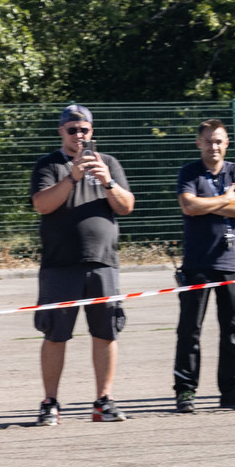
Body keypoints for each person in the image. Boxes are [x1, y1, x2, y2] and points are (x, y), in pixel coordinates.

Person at [30, 104, 136, 423]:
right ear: (61, 132)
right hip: (60, 265)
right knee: (55, 334)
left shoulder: (110, 164)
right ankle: (50, 402)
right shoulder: (49, 165)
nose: (79, 135)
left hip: (103, 263)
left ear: (92, 132)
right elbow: (42, 205)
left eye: (84, 130)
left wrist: (107, 182)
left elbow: (127, 206)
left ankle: (103, 401)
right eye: (72, 130)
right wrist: (73, 177)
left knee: (106, 332)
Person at [172, 119, 235, 413]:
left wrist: (209, 203)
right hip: (197, 263)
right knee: (189, 330)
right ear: (199, 143)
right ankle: (185, 390)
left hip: (230, 263)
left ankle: (233, 389)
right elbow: (189, 206)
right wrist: (224, 199)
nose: (214, 146)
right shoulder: (190, 172)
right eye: (208, 141)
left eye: (219, 141)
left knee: (231, 330)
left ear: (227, 143)